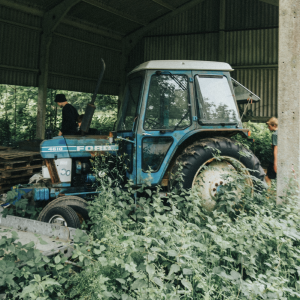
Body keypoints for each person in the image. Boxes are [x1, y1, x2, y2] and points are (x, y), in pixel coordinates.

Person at [265, 117, 278, 186]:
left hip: (274, 159)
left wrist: (275, 163)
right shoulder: (281, 133)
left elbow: (276, 148)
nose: (268, 127)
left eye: (269, 126)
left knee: (267, 177)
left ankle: (268, 195)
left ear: (274, 126)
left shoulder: (275, 134)